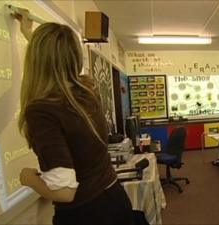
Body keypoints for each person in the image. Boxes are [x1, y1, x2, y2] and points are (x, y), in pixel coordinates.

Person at [14, 10, 134, 225]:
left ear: (35, 60)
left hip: (87, 213)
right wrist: (29, 34)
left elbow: (65, 192)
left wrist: (29, 180)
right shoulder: (87, 89)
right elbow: (59, 65)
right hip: (115, 199)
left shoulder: (42, 110)